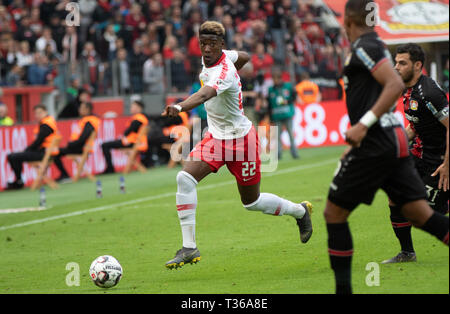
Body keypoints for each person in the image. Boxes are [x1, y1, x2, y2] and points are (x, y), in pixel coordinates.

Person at [162, 21, 313, 270]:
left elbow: (204, 95)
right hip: (216, 138)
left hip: (242, 141)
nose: (207, 49)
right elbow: (244, 55)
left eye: (212, 44)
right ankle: (189, 247)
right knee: (184, 179)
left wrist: (179, 106)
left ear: (221, 45)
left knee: (251, 202)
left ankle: (299, 212)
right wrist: (235, 62)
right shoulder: (224, 57)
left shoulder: (224, 71)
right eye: (203, 44)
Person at [324, 0, 449, 294]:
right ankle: (406, 250)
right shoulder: (374, 44)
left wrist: (364, 124)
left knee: (333, 213)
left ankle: (343, 290)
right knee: (420, 215)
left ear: (346, 21)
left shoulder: (365, 48)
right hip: (391, 142)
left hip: (376, 144)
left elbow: (392, 85)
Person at [381, 43, 449, 264]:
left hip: (439, 160)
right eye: (396, 62)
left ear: (418, 65)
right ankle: (407, 253)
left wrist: (447, 165)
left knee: (424, 213)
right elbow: (414, 127)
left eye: (402, 63)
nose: (396, 67)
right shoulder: (406, 88)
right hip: (419, 155)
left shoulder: (428, 93)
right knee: (395, 196)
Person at [6, 104, 59, 189]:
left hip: (44, 154)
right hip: (47, 153)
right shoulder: (49, 122)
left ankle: (19, 181)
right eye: (36, 113)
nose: (38, 115)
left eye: (40, 113)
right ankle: (19, 180)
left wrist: (26, 150)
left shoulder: (46, 125)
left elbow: (38, 141)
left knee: (13, 157)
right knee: (15, 156)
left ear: (46, 112)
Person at [53, 101, 100, 182]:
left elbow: (83, 138)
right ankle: (64, 174)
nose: (79, 110)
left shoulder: (89, 121)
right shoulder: (88, 120)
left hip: (81, 148)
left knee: (55, 152)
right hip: (80, 147)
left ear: (88, 109)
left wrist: (70, 145)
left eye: (82, 108)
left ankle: (64, 175)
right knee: (56, 151)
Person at [101, 100, 149, 174]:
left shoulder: (138, 118)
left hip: (132, 142)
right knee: (107, 144)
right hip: (137, 143)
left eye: (133, 106)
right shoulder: (142, 117)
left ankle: (110, 168)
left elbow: (128, 131)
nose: (131, 108)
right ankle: (111, 168)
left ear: (138, 108)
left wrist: (124, 135)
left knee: (105, 145)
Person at [267, 67, 299, 159]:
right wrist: (270, 118)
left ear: (280, 78)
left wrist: (288, 102)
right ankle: (278, 154)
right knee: (277, 136)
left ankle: (294, 153)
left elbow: (294, 96)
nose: (274, 81)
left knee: (291, 134)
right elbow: (269, 104)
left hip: (287, 114)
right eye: (273, 79)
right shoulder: (271, 90)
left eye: (276, 79)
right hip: (276, 115)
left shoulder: (288, 86)